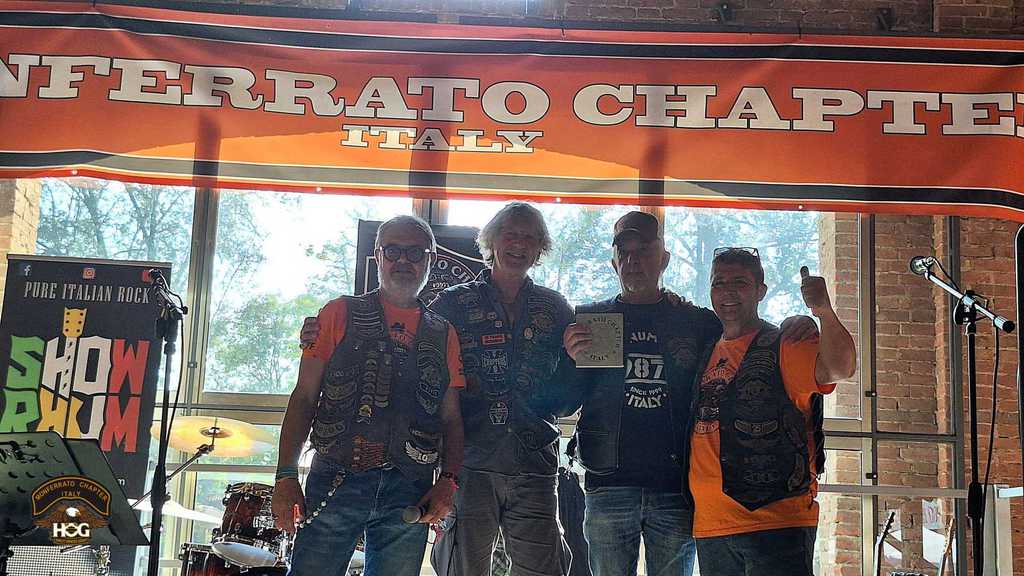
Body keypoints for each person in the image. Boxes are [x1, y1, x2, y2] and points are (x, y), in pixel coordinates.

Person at [301, 202, 574, 576]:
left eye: (529, 237)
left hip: (536, 462)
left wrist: (579, 361)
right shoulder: (451, 304)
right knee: (461, 568)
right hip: (470, 462)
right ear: (492, 241)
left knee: (545, 568)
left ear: (540, 247)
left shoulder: (557, 309)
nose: (518, 244)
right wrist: (316, 333)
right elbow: (397, 339)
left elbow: (571, 390)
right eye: (510, 234)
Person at [272, 215, 466, 576]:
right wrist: (285, 476)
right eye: (393, 251)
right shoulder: (337, 313)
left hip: (410, 487)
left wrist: (448, 481)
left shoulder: (444, 333)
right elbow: (303, 398)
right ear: (378, 256)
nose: (403, 260)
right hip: (335, 477)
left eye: (415, 252)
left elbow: (451, 418)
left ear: (431, 260)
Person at [561, 211, 721, 576]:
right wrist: (569, 359)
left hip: (677, 485)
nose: (633, 261)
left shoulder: (696, 322)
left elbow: (731, 370)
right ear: (613, 262)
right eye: (625, 252)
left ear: (664, 259)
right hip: (607, 481)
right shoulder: (590, 320)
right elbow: (564, 403)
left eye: (644, 251)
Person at [688, 247, 856, 576]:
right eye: (719, 283)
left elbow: (841, 367)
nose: (727, 291)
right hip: (711, 527)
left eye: (739, 282)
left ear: (760, 291)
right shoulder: (705, 351)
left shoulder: (786, 343)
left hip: (777, 525)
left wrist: (823, 311)